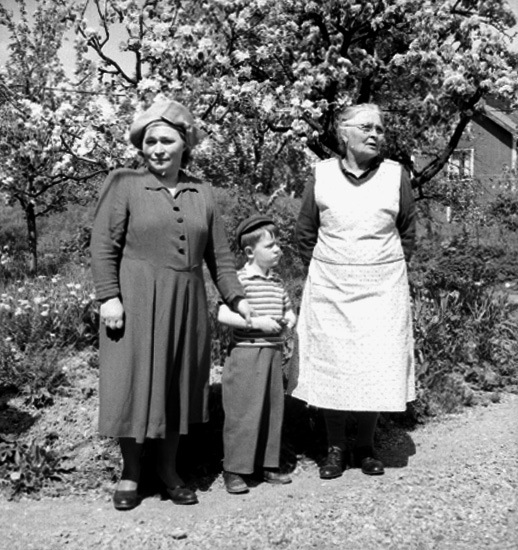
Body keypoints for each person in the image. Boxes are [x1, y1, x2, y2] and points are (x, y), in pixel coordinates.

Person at [90, 99, 251, 510]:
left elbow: (220, 256)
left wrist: (236, 297)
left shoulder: (203, 192)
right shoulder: (124, 183)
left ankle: (168, 471)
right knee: (132, 382)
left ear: (185, 144)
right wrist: (109, 297)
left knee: (178, 385)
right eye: (150, 142)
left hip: (187, 303)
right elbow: (103, 245)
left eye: (166, 140)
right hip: (136, 299)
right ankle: (130, 473)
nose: (157, 149)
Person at [291, 103, 416, 479]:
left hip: (382, 290)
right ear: (343, 133)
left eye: (380, 128)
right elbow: (305, 232)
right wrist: (328, 271)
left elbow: (407, 232)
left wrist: (383, 271)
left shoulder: (395, 175)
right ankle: (335, 448)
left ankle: (365, 446)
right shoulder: (322, 174)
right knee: (334, 365)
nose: (376, 134)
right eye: (367, 127)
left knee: (374, 365)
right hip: (331, 288)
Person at [217, 214, 297, 494]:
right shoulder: (239, 281)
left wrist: (289, 319)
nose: (278, 250)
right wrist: (255, 322)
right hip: (246, 355)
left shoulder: (277, 282)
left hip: (273, 354)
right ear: (250, 252)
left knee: (271, 411)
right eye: (270, 245)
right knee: (243, 411)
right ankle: (235, 469)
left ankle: (268, 463)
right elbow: (223, 314)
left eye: (278, 245)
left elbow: (288, 309)